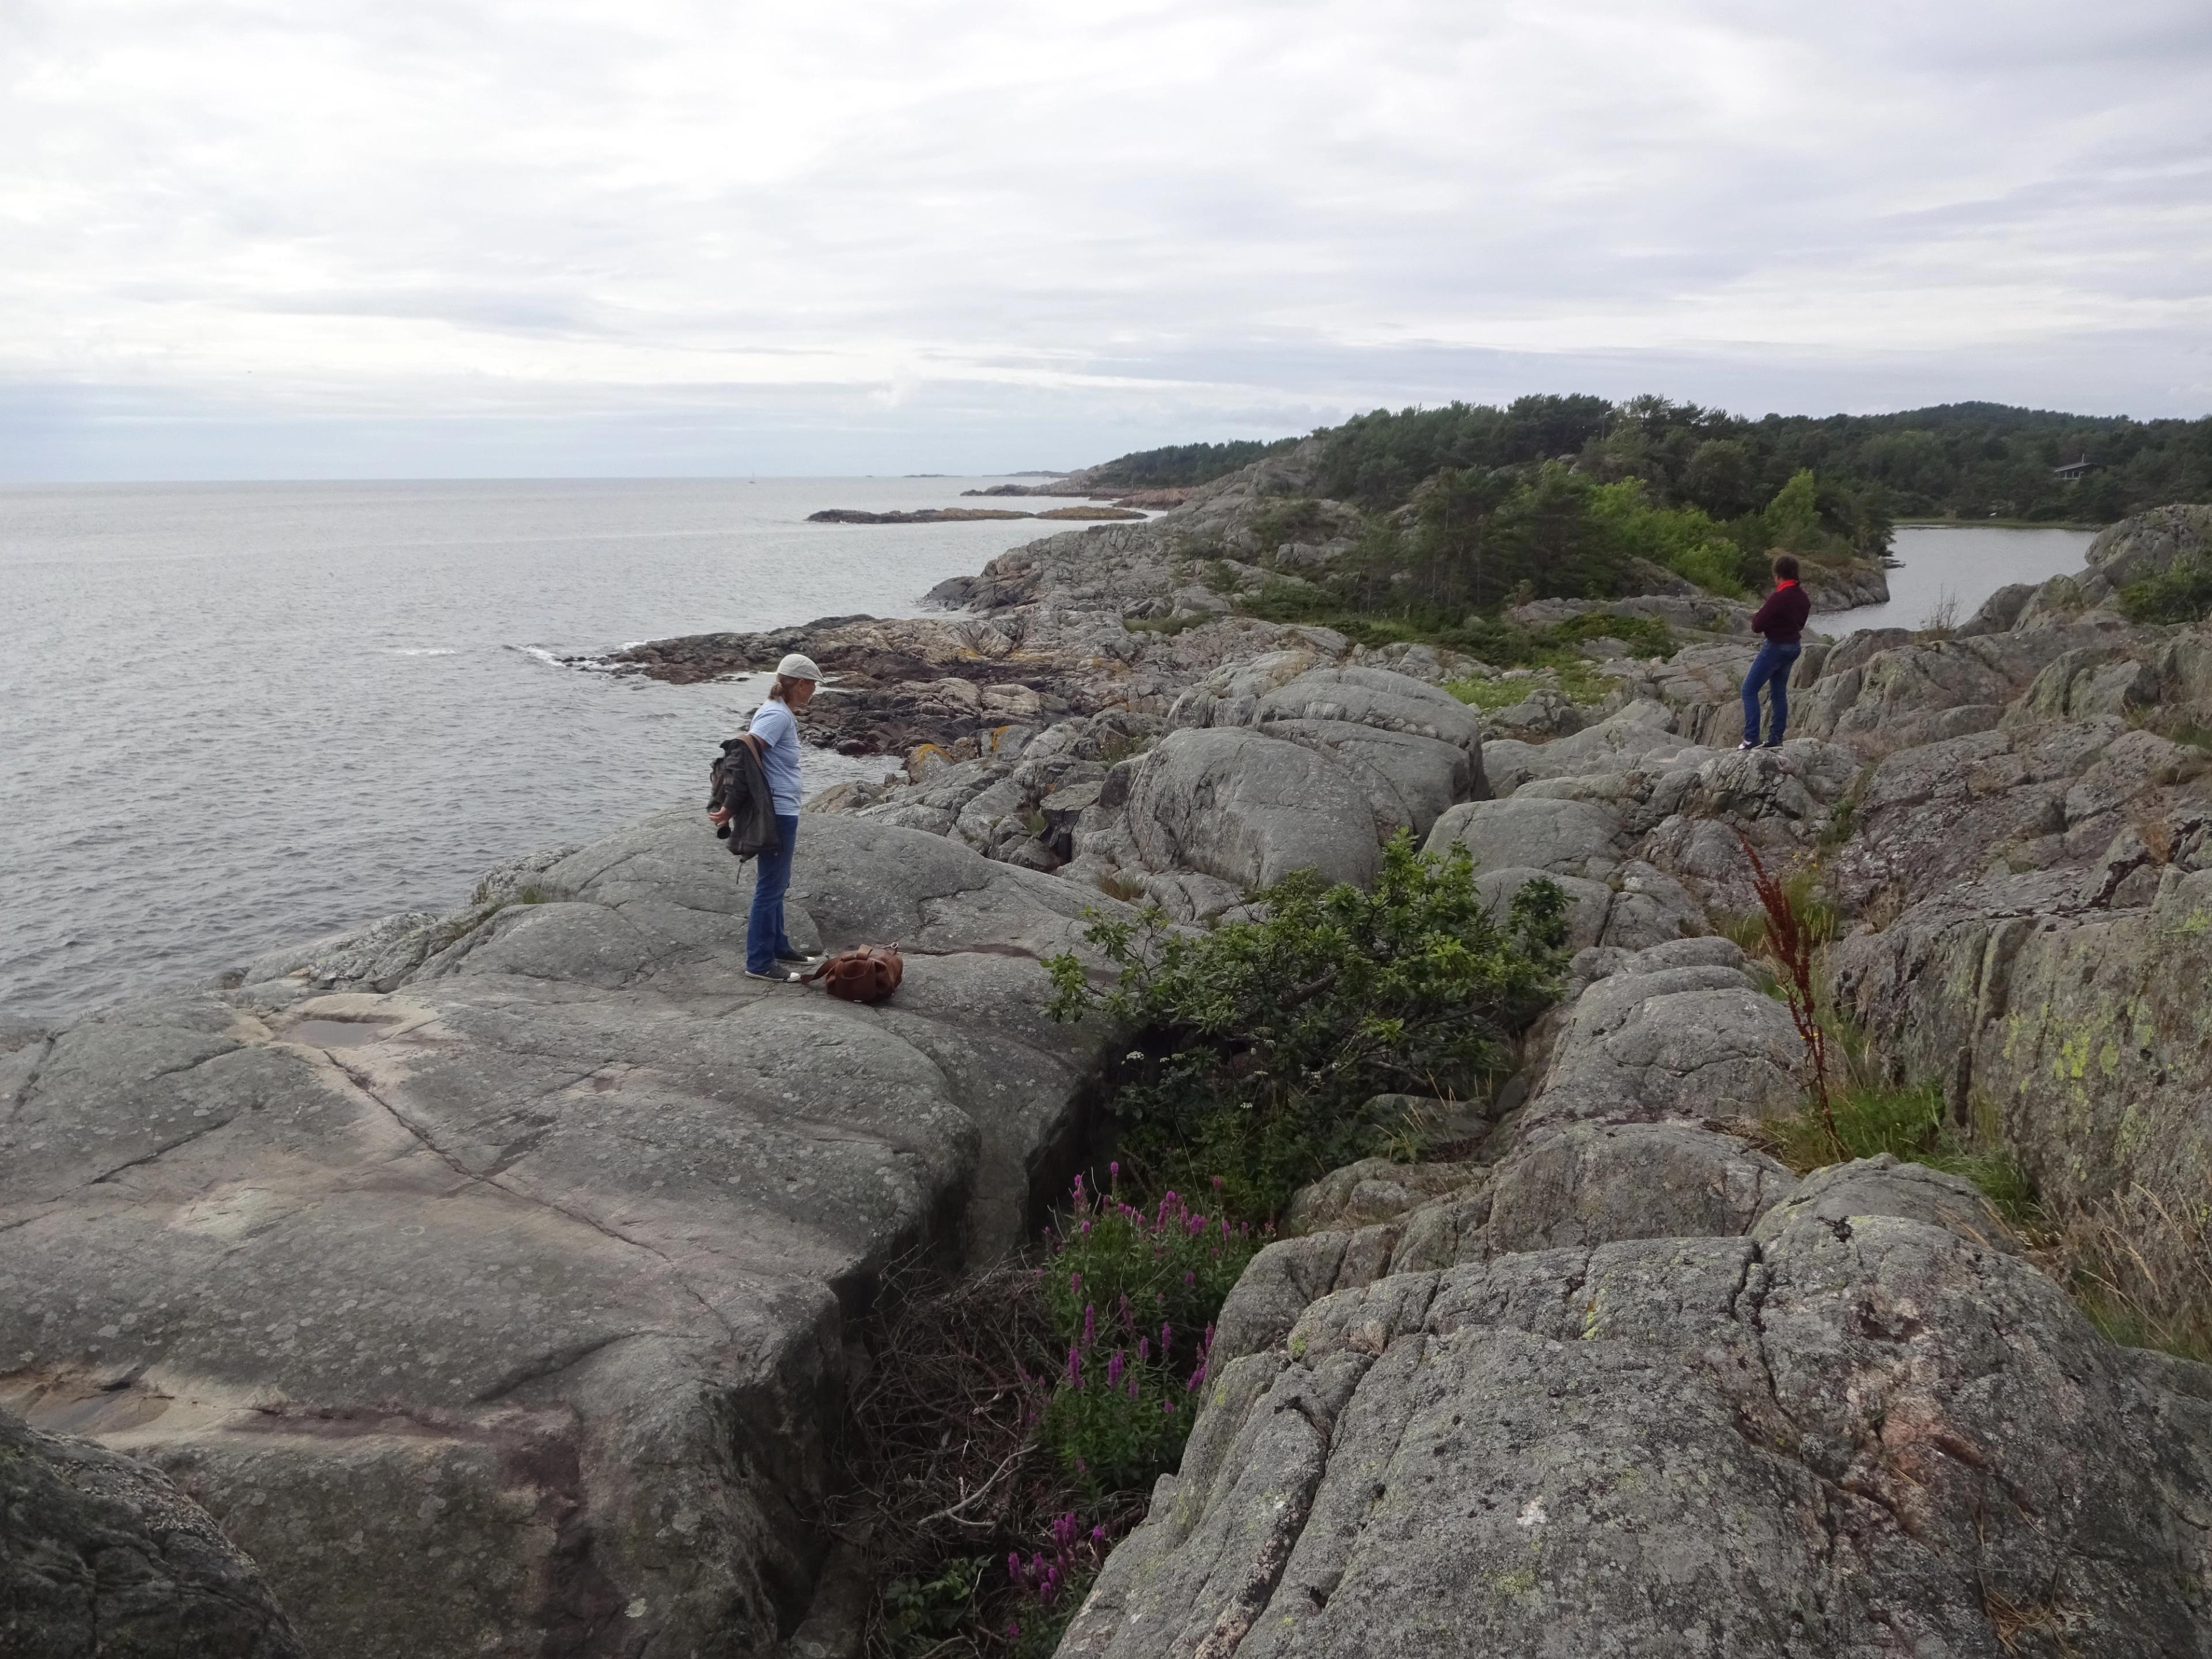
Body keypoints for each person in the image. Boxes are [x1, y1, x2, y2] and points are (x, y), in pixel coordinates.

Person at [742, 653, 824, 982]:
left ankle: (778, 946)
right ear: (801, 684)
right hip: (776, 811)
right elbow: (746, 750)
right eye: (813, 685)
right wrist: (735, 804)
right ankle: (759, 962)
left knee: (777, 883)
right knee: (770, 887)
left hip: (781, 808)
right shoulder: (776, 716)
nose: (815, 691)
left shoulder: (779, 712)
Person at [1740, 554, 1810, 749]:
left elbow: (1756, 625)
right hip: (1794, 646)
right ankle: (1775, 738)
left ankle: (1751, 738)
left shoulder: (1778, 597)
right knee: (1779, 692)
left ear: (1777, 575)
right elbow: (1801, 623)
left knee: (1748, 690)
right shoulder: (1802, 597)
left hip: (1775, 647)